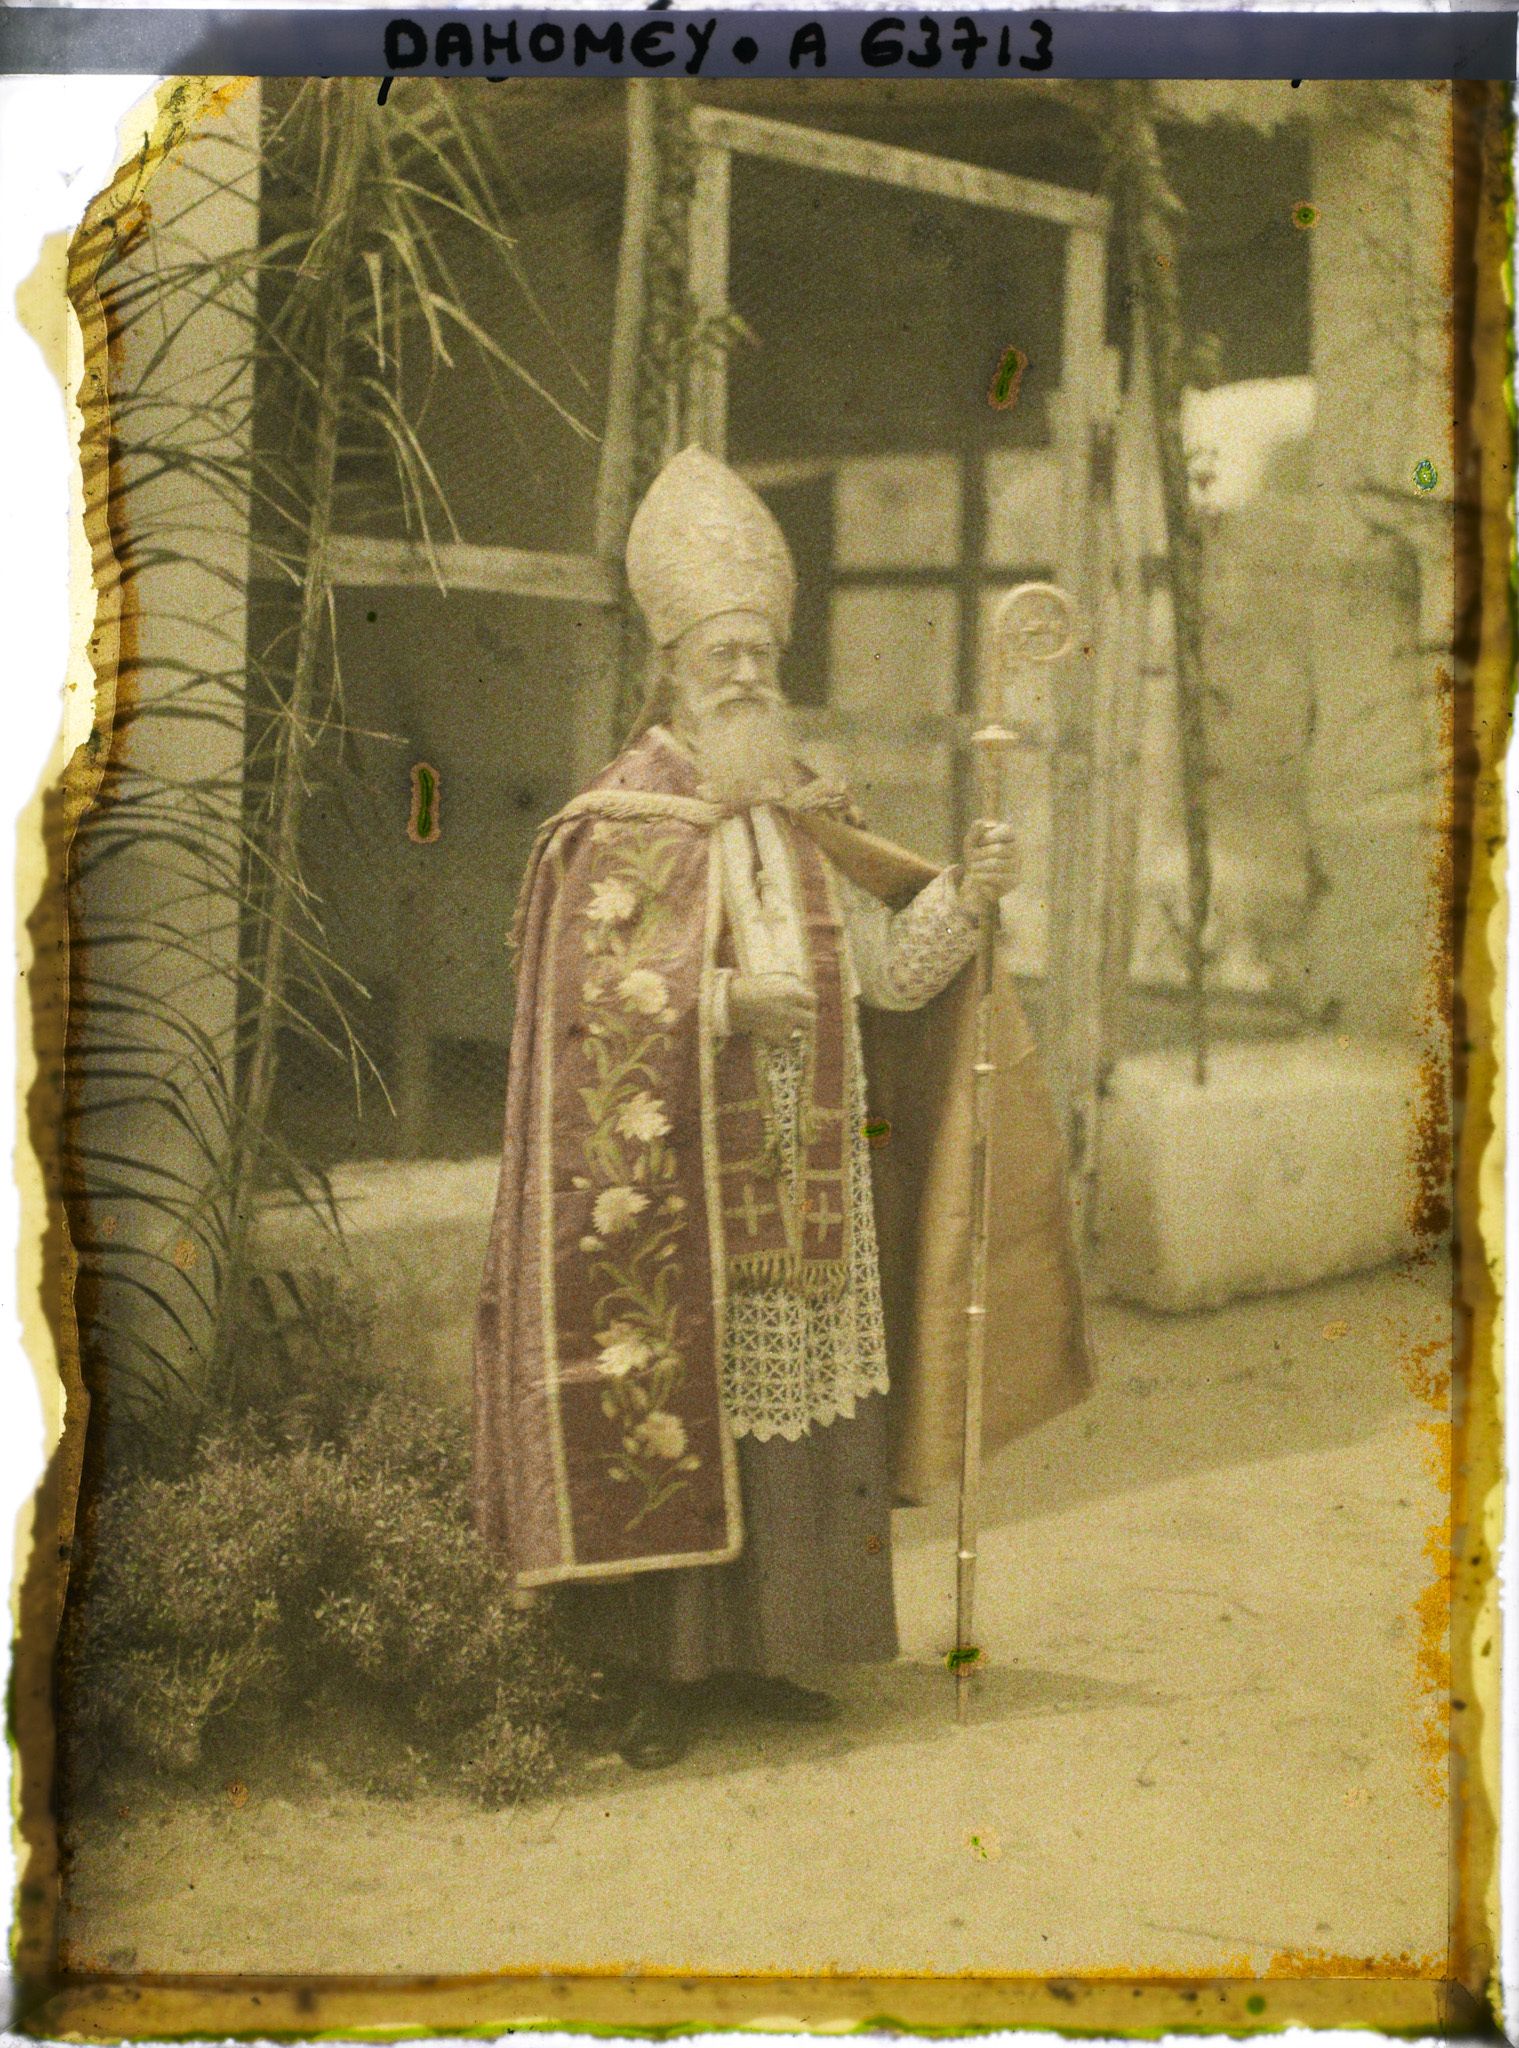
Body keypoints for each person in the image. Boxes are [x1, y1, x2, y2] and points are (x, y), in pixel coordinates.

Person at [474, 447, 1091, 1768]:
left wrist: (966, 900)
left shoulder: (807, 814)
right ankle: (656, 1675)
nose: (748, 676)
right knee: (670, 1410)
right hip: (678, 1201)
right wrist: (714, 1010)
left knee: (794, 1434)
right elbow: (572, 1011)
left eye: (763, 654)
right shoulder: (615, 822)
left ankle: (762, 1657)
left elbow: (883, 976)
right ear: (672, 670)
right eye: (723, 657)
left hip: (811, 1189)